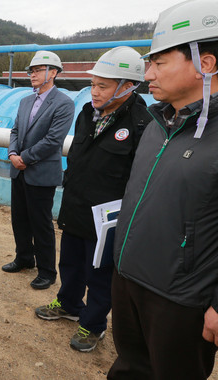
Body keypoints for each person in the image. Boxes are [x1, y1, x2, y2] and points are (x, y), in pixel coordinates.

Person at [108, 0, 218, 378]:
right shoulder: (158, 122)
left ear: (205, 63)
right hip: (128, 280)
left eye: (160, 62)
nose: (148, 73)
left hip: (180, 300)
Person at [34, 46, 151, 352]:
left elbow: (141, 180)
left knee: (99, 274)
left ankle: (93, 324)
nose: (94, 92)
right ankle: (69, 303)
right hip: (75, 206)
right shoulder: (88, 113)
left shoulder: (143, 124)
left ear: (127, 86)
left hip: (108, 219)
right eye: (93, 84)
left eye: (102, 86)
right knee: (70, 262)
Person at [2, 50, 74, 290]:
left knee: (41, 223)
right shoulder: (25, 101)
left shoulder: (63, 103)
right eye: (31, 71)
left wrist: (24, 158)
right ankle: (24, 258)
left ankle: (47, 271)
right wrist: (12, 154)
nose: (32, 74)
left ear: (53, 73)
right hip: (19, 170)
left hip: (40, 173)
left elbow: (54, 140)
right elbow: (14, 131)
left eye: (37, 70)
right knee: (19, 219)